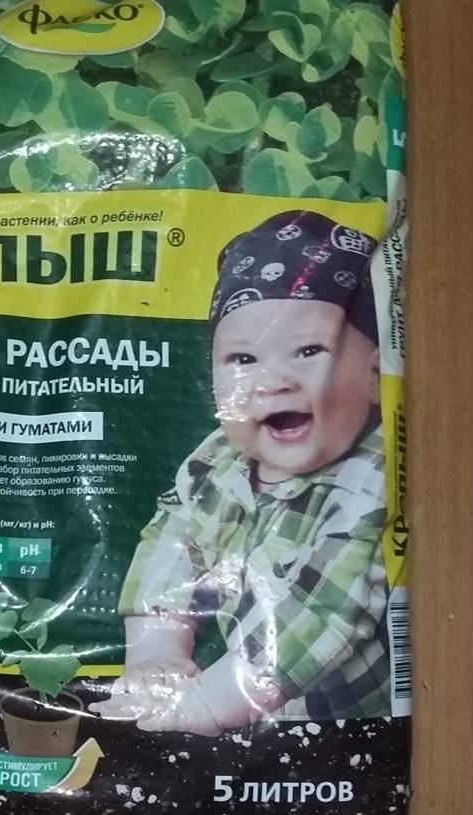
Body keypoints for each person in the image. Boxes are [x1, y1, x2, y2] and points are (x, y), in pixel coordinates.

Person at [90, 210, 391, 735]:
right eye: (243, 360)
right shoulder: (220, 459)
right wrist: (157, 649)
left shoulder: (369, 482)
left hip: (339, 729)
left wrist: (203, 705)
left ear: (375, 376)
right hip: (242, 708)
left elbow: (323, 615)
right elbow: (177, 543)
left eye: (309, 351)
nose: (272, 381)